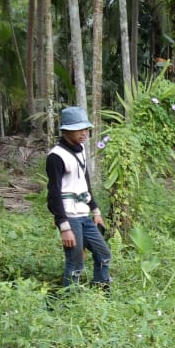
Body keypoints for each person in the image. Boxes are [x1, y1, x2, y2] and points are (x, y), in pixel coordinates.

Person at [46, 106, 112, 287]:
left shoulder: (81, 149)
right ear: (66, 130)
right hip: (70, 217)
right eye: (79, 129)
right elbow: (53, 194)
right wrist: (64, 226)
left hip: (84, 214)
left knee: (103, 254)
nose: (84, 133)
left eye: (85, 129)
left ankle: (101, 289)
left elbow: (85, 182)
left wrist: (95, 210)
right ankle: (69, 303)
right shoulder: (56, 156)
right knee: (75, 263)